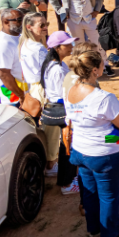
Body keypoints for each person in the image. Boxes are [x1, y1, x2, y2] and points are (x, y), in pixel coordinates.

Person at [66, 46, 119, 237]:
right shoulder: (104, 98)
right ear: (95, 70)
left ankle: (93, 228)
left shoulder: (71, 91)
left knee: (89, 192)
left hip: (80, 150)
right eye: (101, 63)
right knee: (109, 196)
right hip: (103, 153)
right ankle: (111, 233)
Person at [40, 31, 79, 194]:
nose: (71, 47)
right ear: (57, 47)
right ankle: (67, 183)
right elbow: (63, 95)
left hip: (60, 108)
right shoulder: (57, 69)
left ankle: (67, 180)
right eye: (67, 44)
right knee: (68, 146)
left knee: (66, 145)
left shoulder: (55, 64)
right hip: (64, 110)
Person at [49, 0, 109, 69]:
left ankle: (104, 65)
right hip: (73, 20)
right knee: (78, 46)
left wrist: (96, 10)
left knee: (97, 43)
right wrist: (61, 11)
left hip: (89, 18)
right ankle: (83, 67)